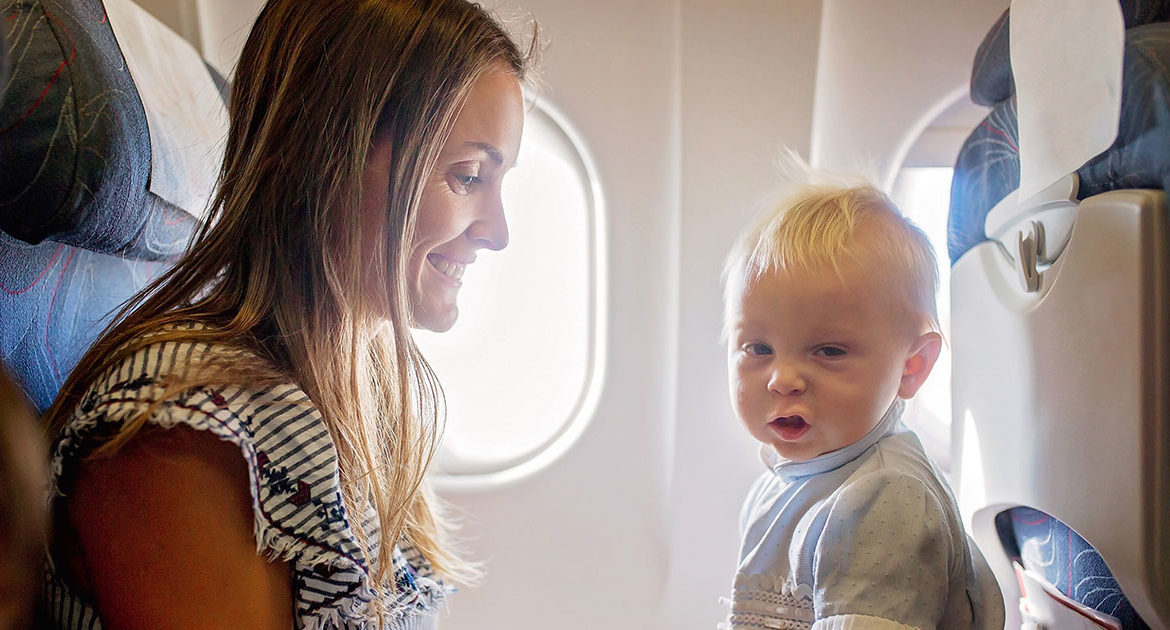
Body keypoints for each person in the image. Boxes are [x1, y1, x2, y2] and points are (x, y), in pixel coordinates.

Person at [39, 1, 532, 627]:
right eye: (467, 176)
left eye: (500, 180)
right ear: (328, 155)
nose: (498, 232)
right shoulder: (187, 430)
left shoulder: (366, 388)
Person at [719, 157, 1002, 629]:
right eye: (759, 347)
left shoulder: (883, 499)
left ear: (912, 366)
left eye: (828, 350)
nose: (782, 379)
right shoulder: (785, 480)